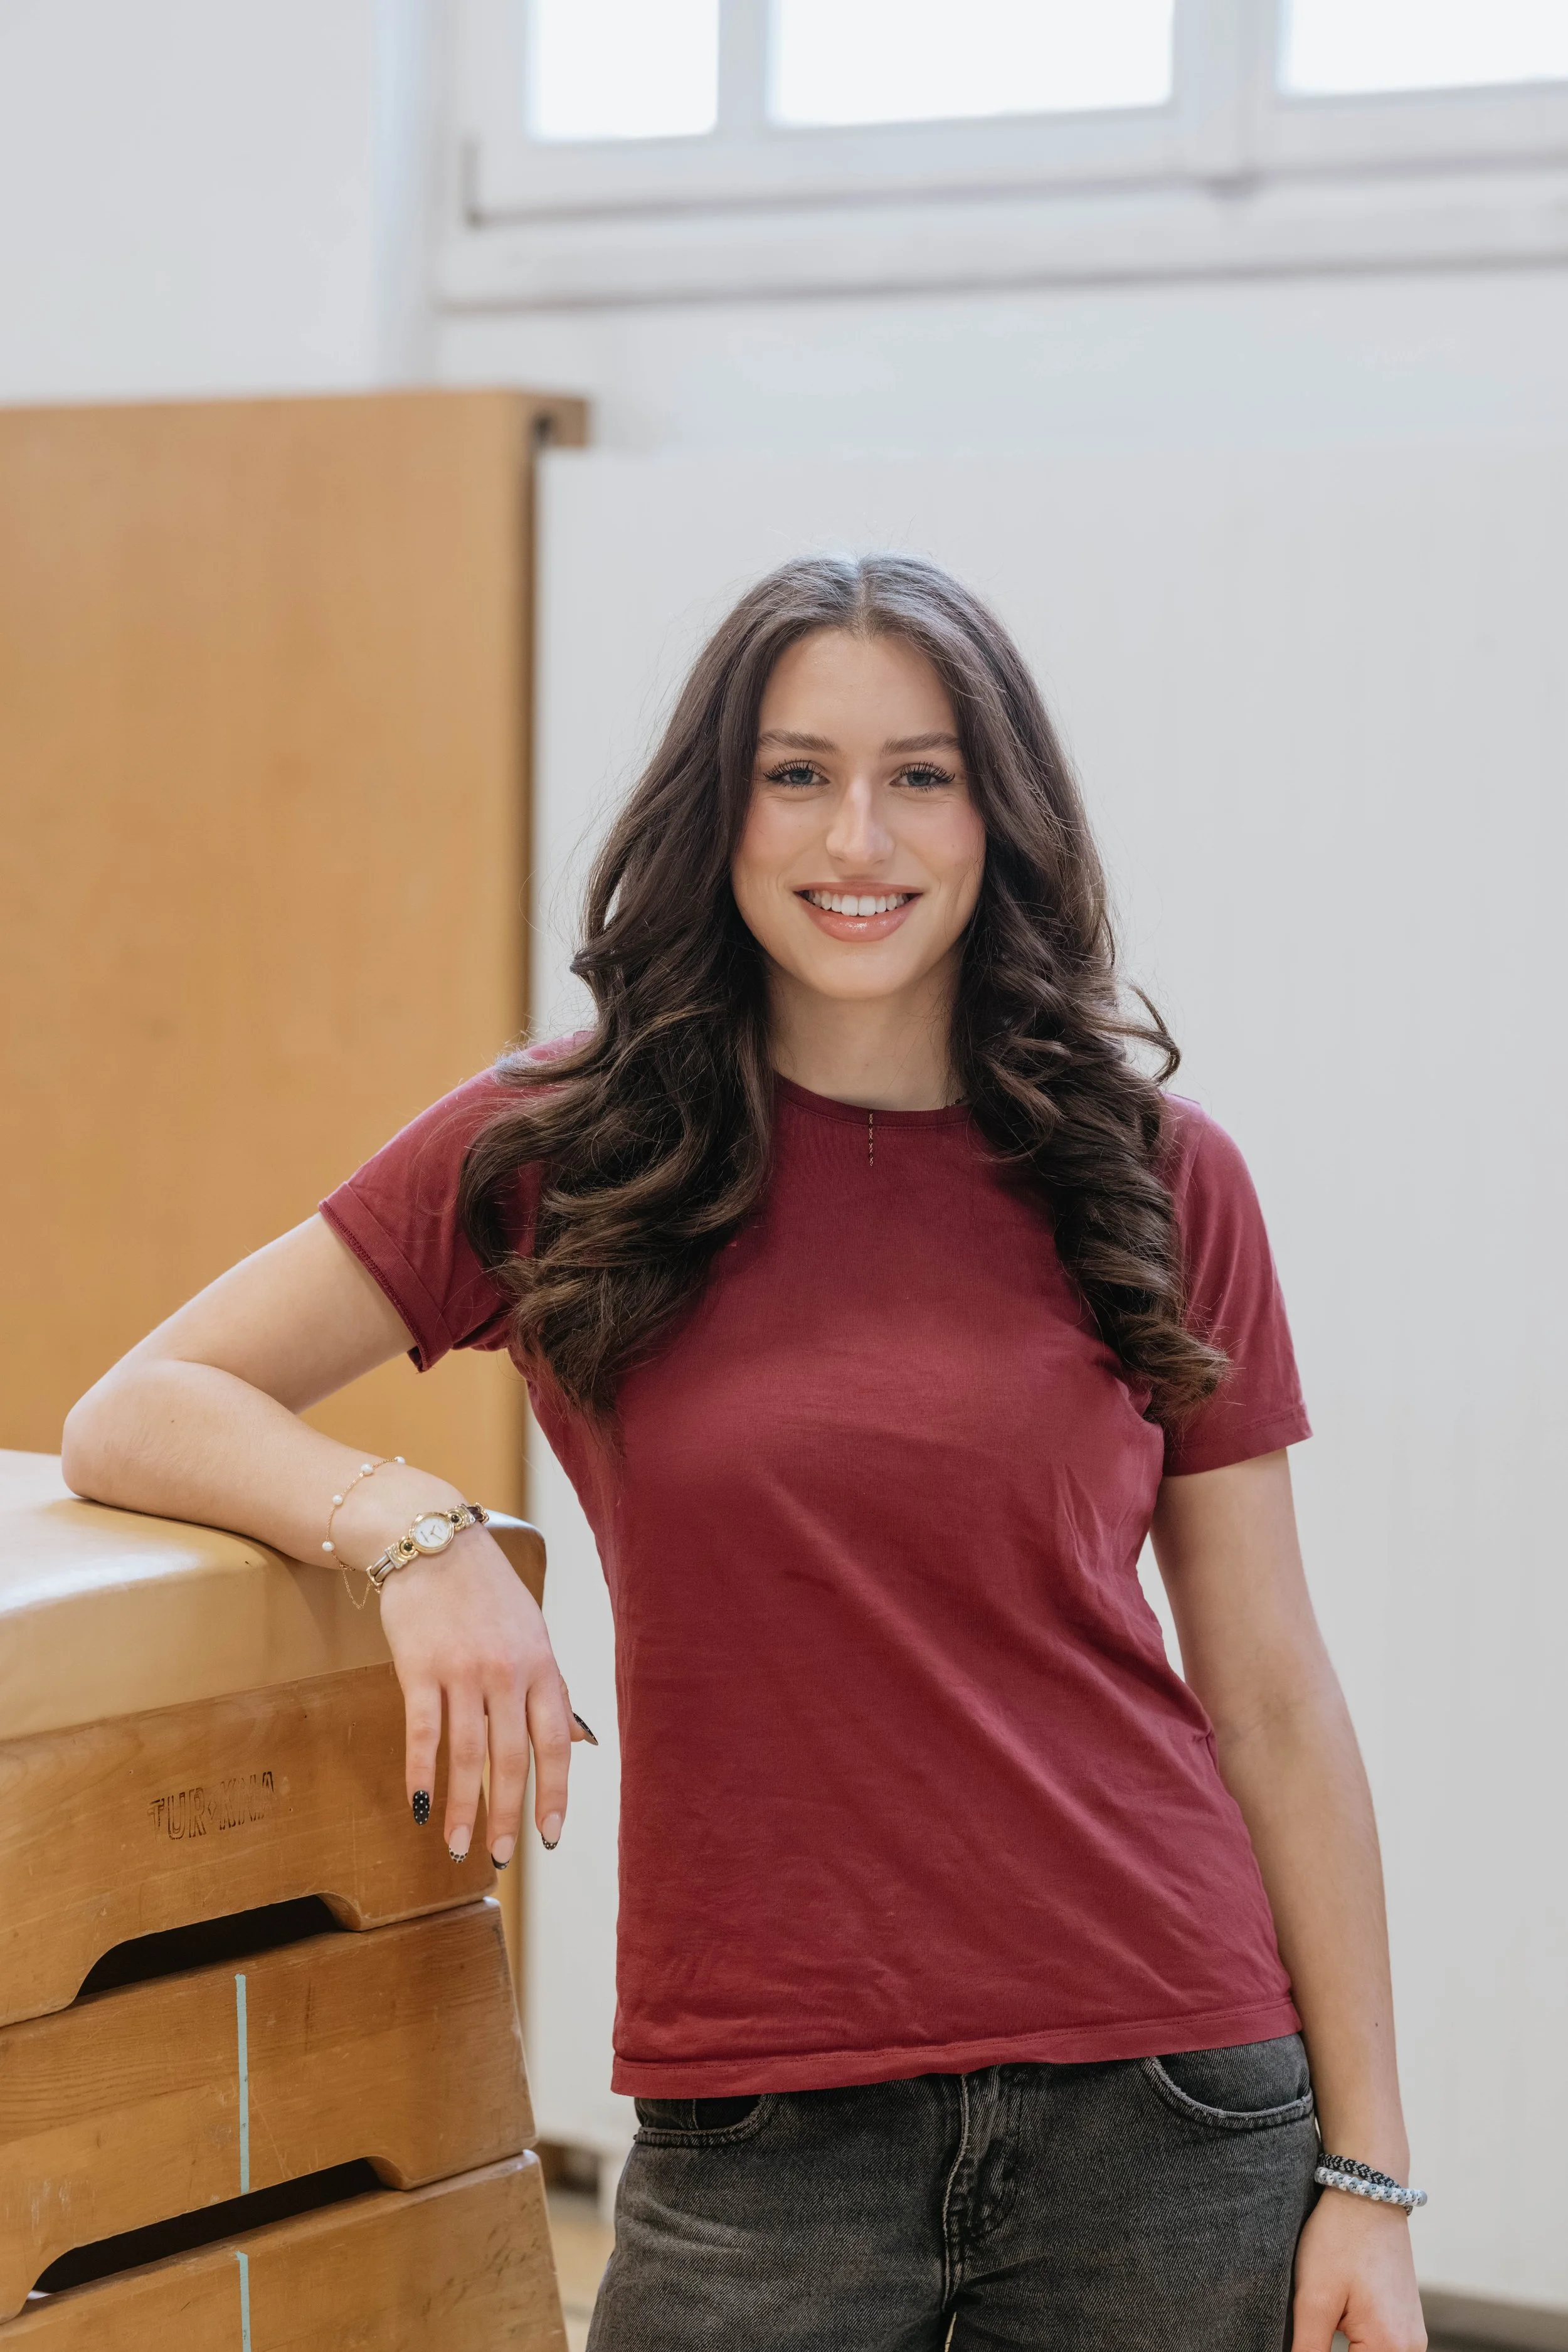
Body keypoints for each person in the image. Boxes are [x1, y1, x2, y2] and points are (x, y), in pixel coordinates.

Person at [64, 554, 1426, 2351]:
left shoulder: (1160, 1172)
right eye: (795, 772)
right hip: (764, 2115)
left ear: (997, 813)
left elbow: (1266, 1692)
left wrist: (1369, 2177)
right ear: (719, 806)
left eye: (919, 773)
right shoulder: (564, 1141)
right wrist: (419, 1534)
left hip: (1165, 2090)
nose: (855, 833)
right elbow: (141, 1406)